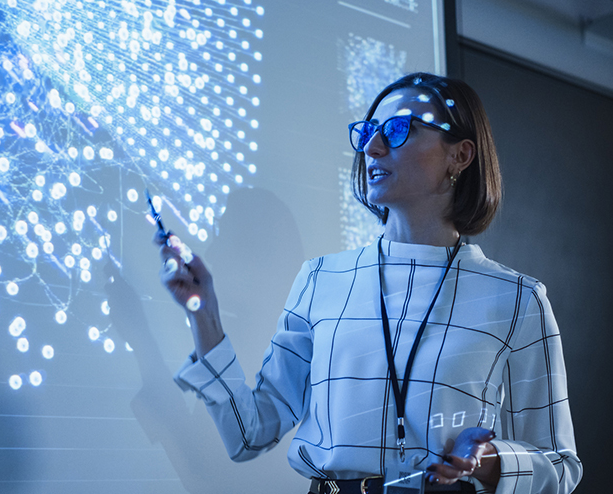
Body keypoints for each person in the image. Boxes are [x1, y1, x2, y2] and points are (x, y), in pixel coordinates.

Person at [154, 73, 582, 494]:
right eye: (368, 134)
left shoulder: (517, 300)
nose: (373, 148)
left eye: (399, 129)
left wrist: (489, 463)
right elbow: (250, 434)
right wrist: (204, 312)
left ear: (460, 155)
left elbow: (560, 468)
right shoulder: (321, 279)